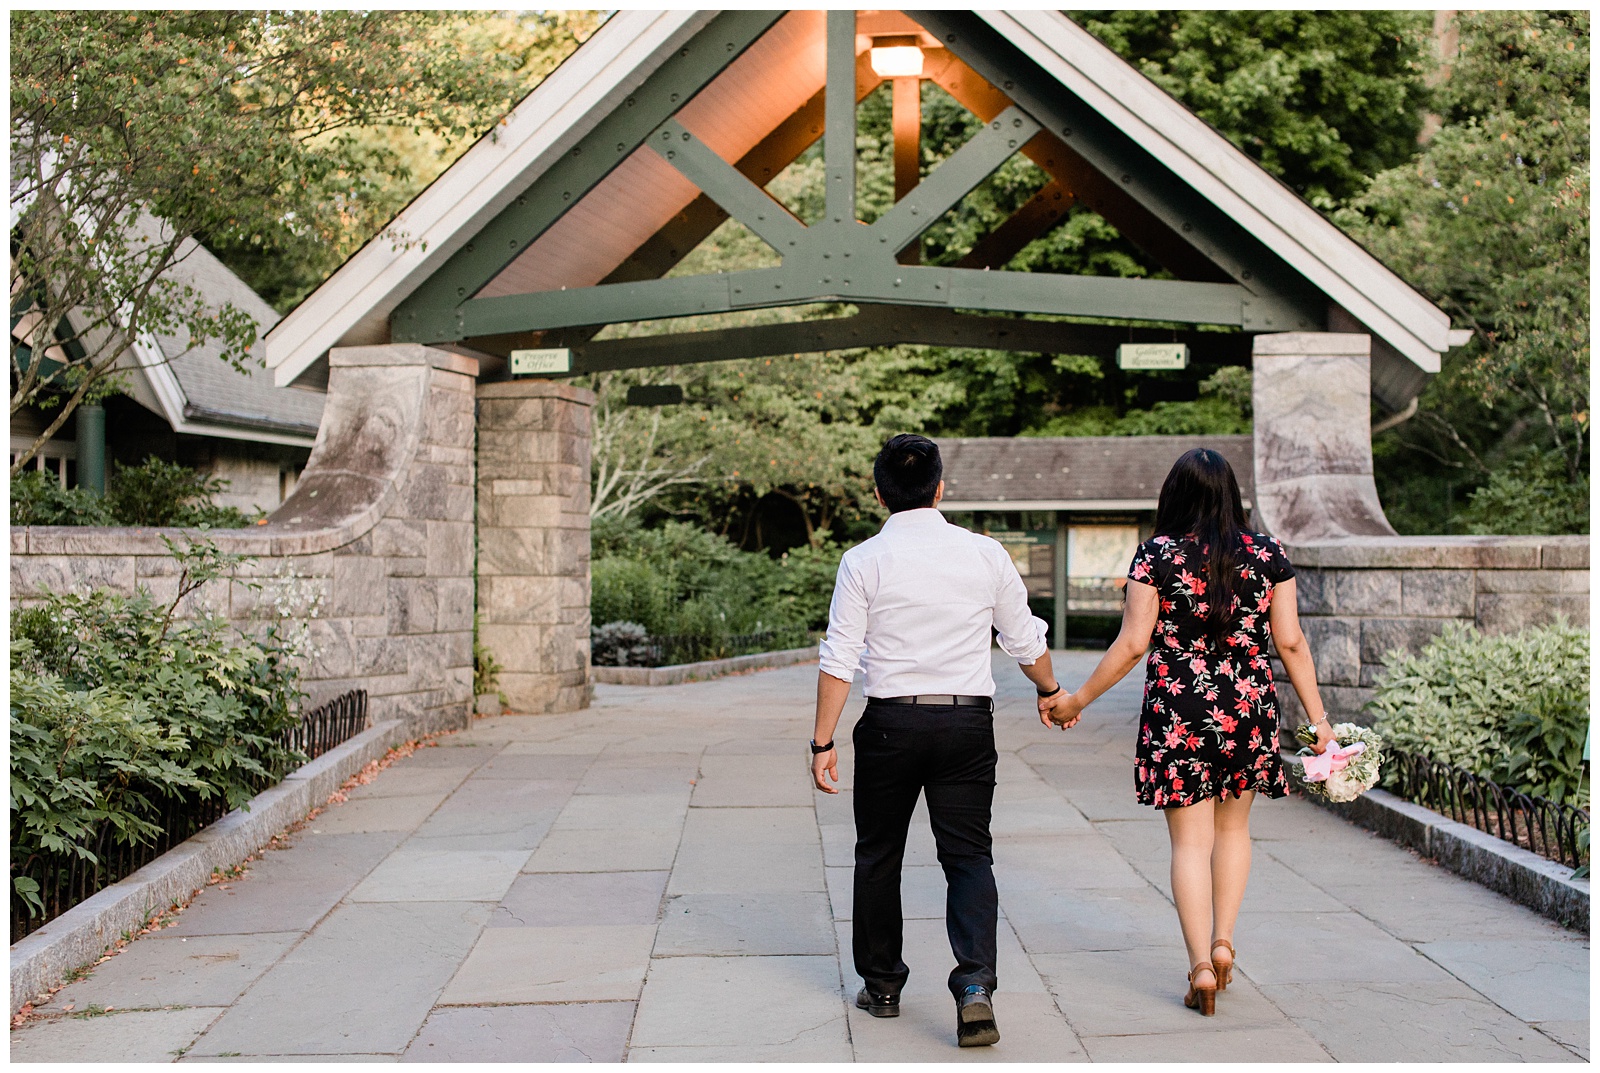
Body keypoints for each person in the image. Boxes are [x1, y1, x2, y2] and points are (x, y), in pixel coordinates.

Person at [1040, 447, 1335, 1016]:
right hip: (1248, 710)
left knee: (1189, 843)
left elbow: (1131, 645)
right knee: (1233, 833)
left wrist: (1075, 700)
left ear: (1173, 495)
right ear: (1233, 496)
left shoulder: (1156, 555)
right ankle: (1225, 942)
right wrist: (1318, 723)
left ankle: (1200, 964)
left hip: (1180, 711)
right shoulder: (1269, 555)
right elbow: (1292, 642)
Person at [809, 433, 1061, 1048]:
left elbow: (839, 659)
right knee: (969, 857)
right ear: (941, 488)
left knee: (878, 855)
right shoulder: (985, 554)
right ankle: (975, 986)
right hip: (966, 724)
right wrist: (1051, 692)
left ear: (878, 493)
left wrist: (822, 743)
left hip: (891, 724)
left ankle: (884, 985)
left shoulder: (862, 560)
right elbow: (1023, 640)